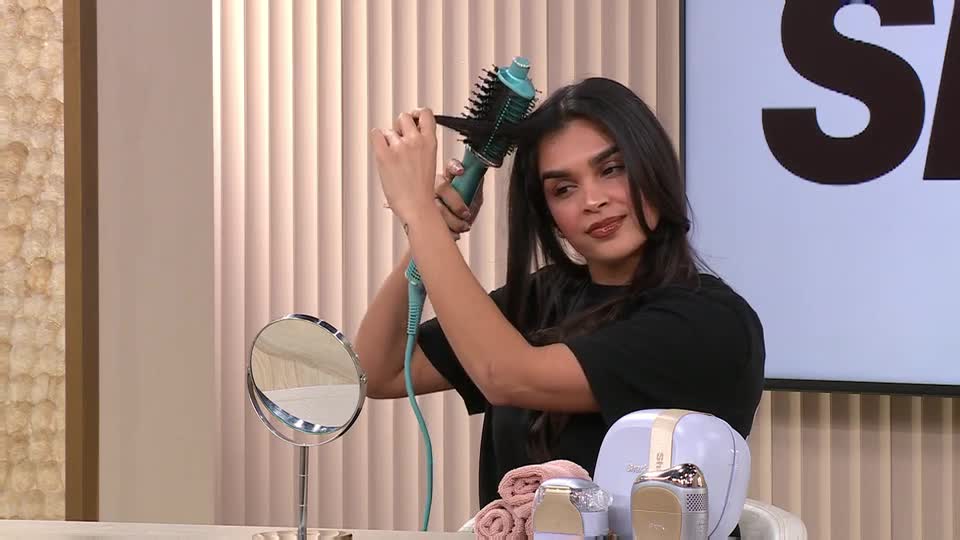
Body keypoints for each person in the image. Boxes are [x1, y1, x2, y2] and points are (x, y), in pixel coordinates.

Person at [356, 77, 765, 515]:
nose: (592, 200)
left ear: (654, 166)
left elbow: (508, 375)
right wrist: (430, 231)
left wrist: (419, 214)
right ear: (547, 213)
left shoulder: (709, 323)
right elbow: (379, 372)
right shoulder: (547, 295)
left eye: (612, 169)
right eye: (563, 189)